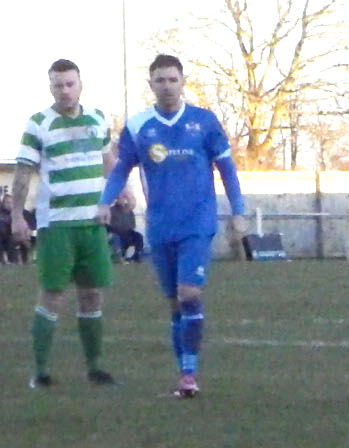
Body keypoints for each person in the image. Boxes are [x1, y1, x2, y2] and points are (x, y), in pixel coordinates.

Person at [98, 53, 246, 399]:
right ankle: (185, 375)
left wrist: (238, 211)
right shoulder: (138, 126)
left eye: (172, 79)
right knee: (175, 305)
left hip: (197, 221)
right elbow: (121, 169)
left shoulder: (204, 122)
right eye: (160, 80)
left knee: (189, 294)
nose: (167, 86)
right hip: (161, 226)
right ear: (151, 84)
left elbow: (227, 169)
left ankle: (190, 376)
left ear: (183, 82)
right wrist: (106, 199)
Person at [12, 58, 118, 389]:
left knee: (91, 296)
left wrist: (119, 192)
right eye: (58, 85)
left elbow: (108, 161)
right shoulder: (39, 123)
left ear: (80, 84)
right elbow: (23, 173)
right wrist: (17, 214)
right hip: (56, 225)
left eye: (70, 83)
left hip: (91, 224)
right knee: (52, 296)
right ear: (50, 88)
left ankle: (95, 367)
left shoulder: (98, 119)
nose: (65, 90)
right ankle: (40, 372)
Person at [108, 193, 144, 262]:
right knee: (116, 238)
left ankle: (136, 256)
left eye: (125, 198)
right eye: (121, 198)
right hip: (116, 235)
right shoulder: (111, 211)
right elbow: (107, 225)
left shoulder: (130, 212)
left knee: (139, 236)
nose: (124, 200)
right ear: (116, 200)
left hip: (128, 234)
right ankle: (118, 257)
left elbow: (133, 226)